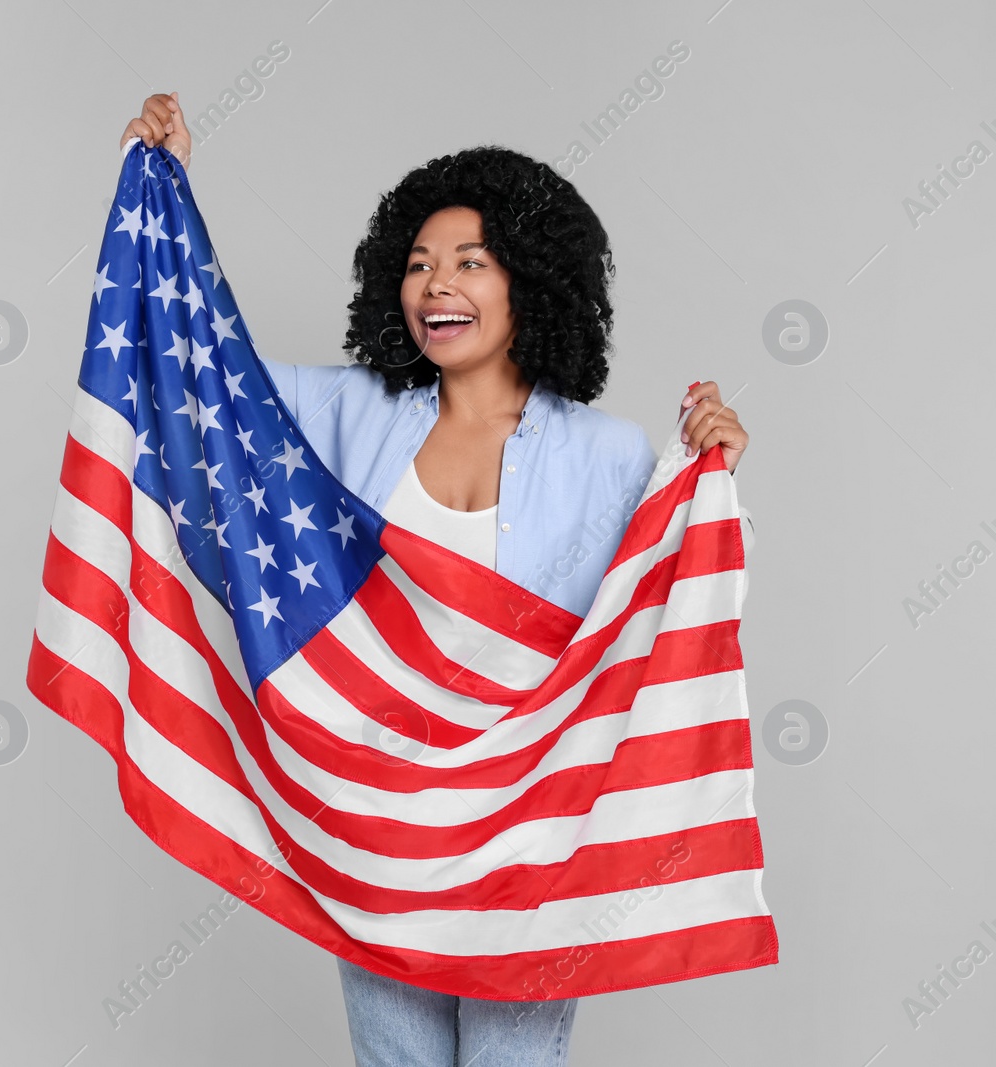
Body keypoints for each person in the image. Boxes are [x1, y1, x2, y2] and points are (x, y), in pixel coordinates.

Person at [120, 93, 753, 1067]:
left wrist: (708, 466)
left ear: (529, 282)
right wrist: (168, 197)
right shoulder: (350, 412)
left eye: (468, 260)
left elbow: (656, 611)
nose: (435, 283)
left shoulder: (608, 455)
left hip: (532, 834)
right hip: (383, 830)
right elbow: (206, 379)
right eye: (417, 264)